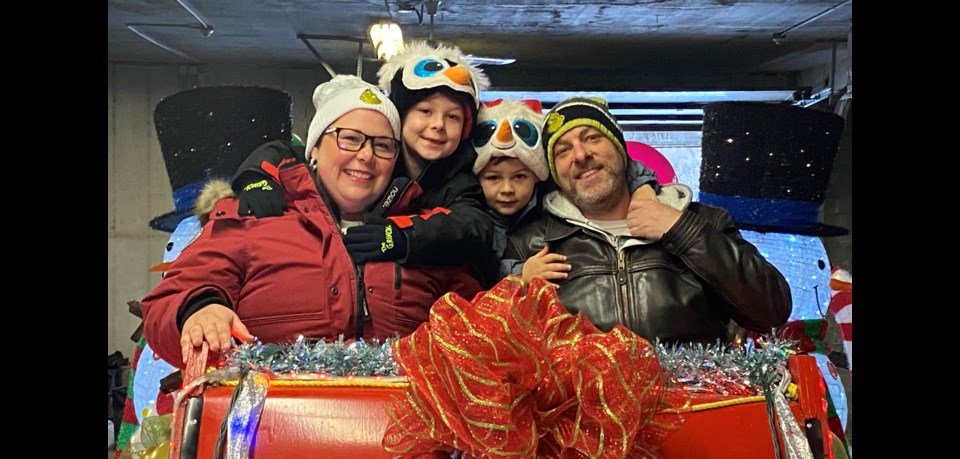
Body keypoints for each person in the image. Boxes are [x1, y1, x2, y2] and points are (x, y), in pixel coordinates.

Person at [140, 75, 482, 368]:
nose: (365, 155)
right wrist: (200, 309)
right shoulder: (252, 217)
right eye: (350, 138)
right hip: (271, 433)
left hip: (400, 437)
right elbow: (171, 298)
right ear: (314, 148)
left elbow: (475, 327)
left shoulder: (421, 236)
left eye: (383, 145)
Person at [503, 96, 792, 345]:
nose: (580, 155)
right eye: (562, 150)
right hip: (584, 409)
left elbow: (771, 311)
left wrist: (681, 230)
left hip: (695, 405)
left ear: (619, 148)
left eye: (592, 137)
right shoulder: (530, 243)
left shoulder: (702, 220)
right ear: (554, 172)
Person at [233, 40, 502, 288]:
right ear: (401, 114)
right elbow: (291, 152)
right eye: (425, 111)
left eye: (453, 117)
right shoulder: (373, 157)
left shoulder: (460, 180)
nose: (438, 125)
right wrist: (256, 175)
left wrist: (403, 236)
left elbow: (472, 227)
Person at [471, 97, 661, 284]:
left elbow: (614, 165)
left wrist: (642, 186)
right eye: (563, 150)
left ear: (539, 176)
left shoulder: (674, 217)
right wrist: (521, 274)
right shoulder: (473, 218)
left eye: (592, 137)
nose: (507, 190)